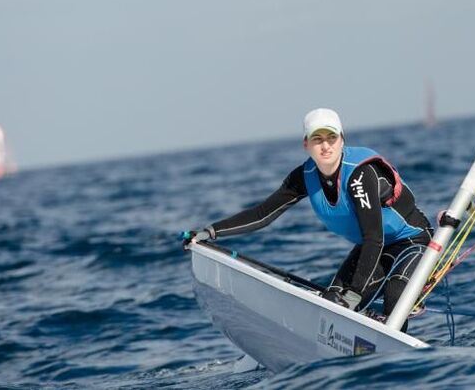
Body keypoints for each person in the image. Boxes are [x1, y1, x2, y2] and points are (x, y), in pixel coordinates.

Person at [184, 108, 433, 329]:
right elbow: (263, 214)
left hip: (413, 241)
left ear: (342, 140)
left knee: (393, 295)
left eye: (331, 138)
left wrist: (355, 295)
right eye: (317, 139)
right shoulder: (305, 176)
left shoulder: (360, 175)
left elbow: (373, 238)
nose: (325, 146)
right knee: (332, 301)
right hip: (376, 248)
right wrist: (210, 232)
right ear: (306, 145)